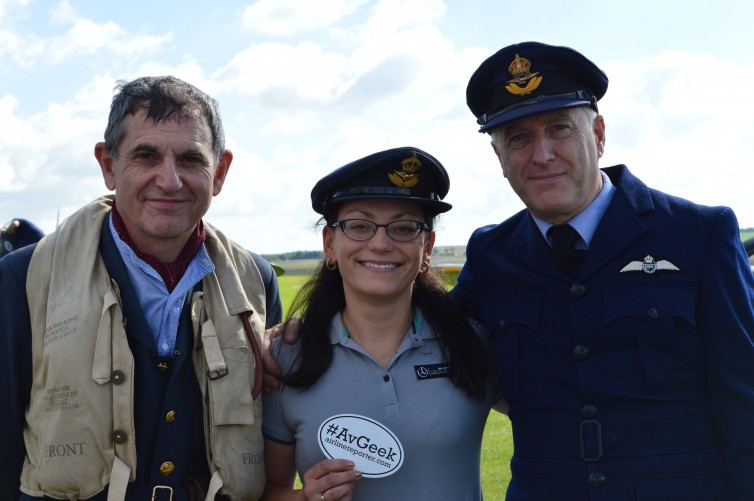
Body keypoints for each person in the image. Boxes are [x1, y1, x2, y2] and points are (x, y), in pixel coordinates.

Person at [453, 41, 754, 499]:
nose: (542, 154)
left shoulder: (699, 236)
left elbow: (745, 400)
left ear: (598, 134)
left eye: (559, 129)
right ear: (498, 157)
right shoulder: (490, 256)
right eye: (518, 138)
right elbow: (425, 339)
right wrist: (315, 326)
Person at [0, 76, 282, 501]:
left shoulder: (256, 282)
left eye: (191, 160)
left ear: (219, 172)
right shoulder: (24, 277)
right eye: (146, 156)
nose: (169, 180)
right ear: (109, 165)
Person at [261, 147, 501, 500]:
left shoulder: (473, 342)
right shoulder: (285, 359)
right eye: (359, 226)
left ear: (427, 246)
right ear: (330, 244)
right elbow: (264, 490)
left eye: (404, 228)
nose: (380, 243)